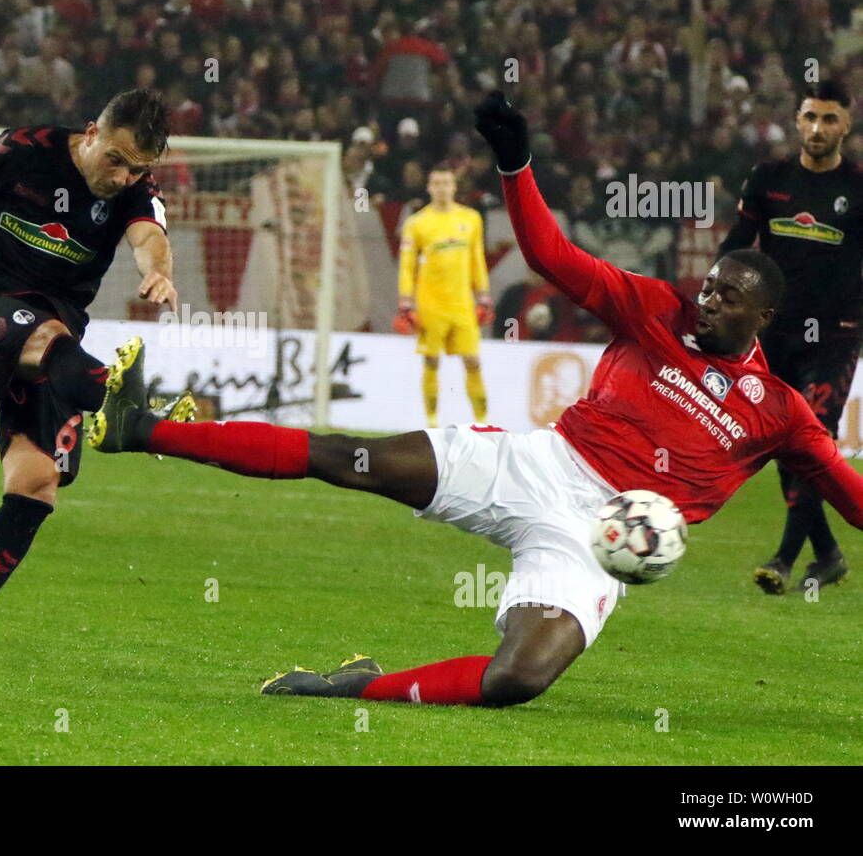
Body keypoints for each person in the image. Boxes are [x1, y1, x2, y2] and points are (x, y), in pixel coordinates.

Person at [88, 92, 863, 708]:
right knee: (347, 458)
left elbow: (852, 496)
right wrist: (515, 161)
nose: (708, 302)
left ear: (762, 320)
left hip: (592, 545)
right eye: (711, 287)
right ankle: (143, 428)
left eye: (728, 300)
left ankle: (360, 685)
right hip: (534, 461)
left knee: (515, 681)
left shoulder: (779, 412)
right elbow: (550, 255)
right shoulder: (656, 306)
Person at [0, 89, 193, 666]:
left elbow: (150, 238)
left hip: (54, 355)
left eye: (140, 168)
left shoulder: (136, 191)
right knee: (48, 334)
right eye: (117, 159)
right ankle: (131, 410)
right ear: (91, 133)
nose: (125, 176)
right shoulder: (21, 149)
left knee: (34, 487)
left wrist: (159, 275)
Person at [719, 80, 863, 594]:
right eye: (810, 118)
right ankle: (826, 555)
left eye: (829, 119)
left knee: (813, 440)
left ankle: (783, 558)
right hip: (772, 332)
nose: (818, 128)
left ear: (846, 124)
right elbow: (738, 243)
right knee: (784, 444)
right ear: (797, 121)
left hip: (836, 335)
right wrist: (716, 291)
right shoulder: (768, 179)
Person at [395, 166, 492, 426]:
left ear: (454, 186)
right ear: (429, 188)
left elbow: (477, 259)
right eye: (436, 183)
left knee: (472, 360)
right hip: (430, 304)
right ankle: (432, 422)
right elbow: (407, 265)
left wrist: (483, 295)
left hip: (462, 304)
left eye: (446, 183)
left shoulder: (471, 219)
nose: (441, 188)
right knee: (431, 360)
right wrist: (406, 300)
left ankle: (482, 422)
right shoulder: (417, 223)